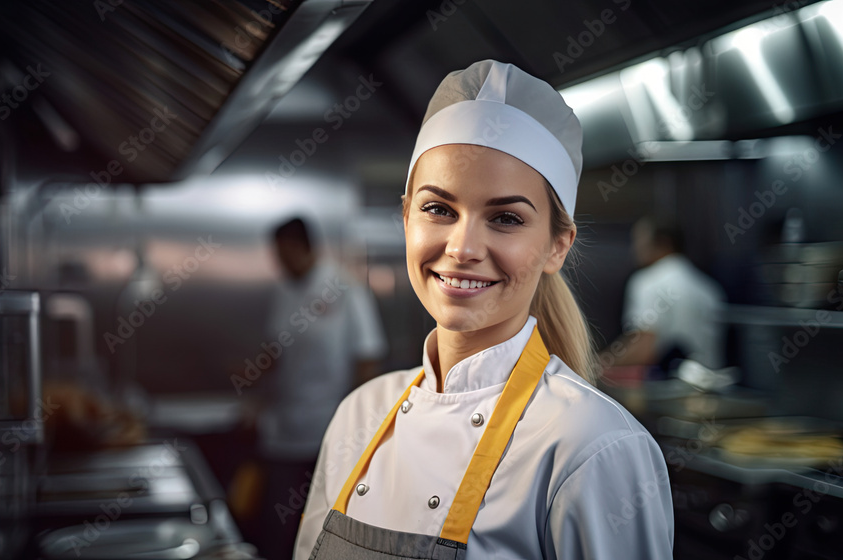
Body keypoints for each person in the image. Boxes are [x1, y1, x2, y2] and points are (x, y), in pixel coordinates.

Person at [293, 61, 674, 559]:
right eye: (439, 209)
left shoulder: (594, 446)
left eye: (506, 218)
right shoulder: (360, 415)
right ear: (406, 217)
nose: (463, 247)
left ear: (557, 247)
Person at [254, 216, 387, 560]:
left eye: (284, 254)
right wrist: (251, 381)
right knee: (278, 527)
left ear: (303, 248)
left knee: (328, 527)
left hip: (332, 433)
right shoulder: (283, 290)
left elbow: (367, 358)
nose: (280, 263)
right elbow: (275, 353)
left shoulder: (344, 289)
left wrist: (360, 428)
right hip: (283, 430)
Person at [605, 216, 726, 370]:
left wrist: (599, 365)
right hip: (712, 388)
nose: (634, 249)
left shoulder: (648, 281)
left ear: (663, 242)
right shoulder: (709, 289)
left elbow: (643, 349)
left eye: (639, 241)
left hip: (667, 388)